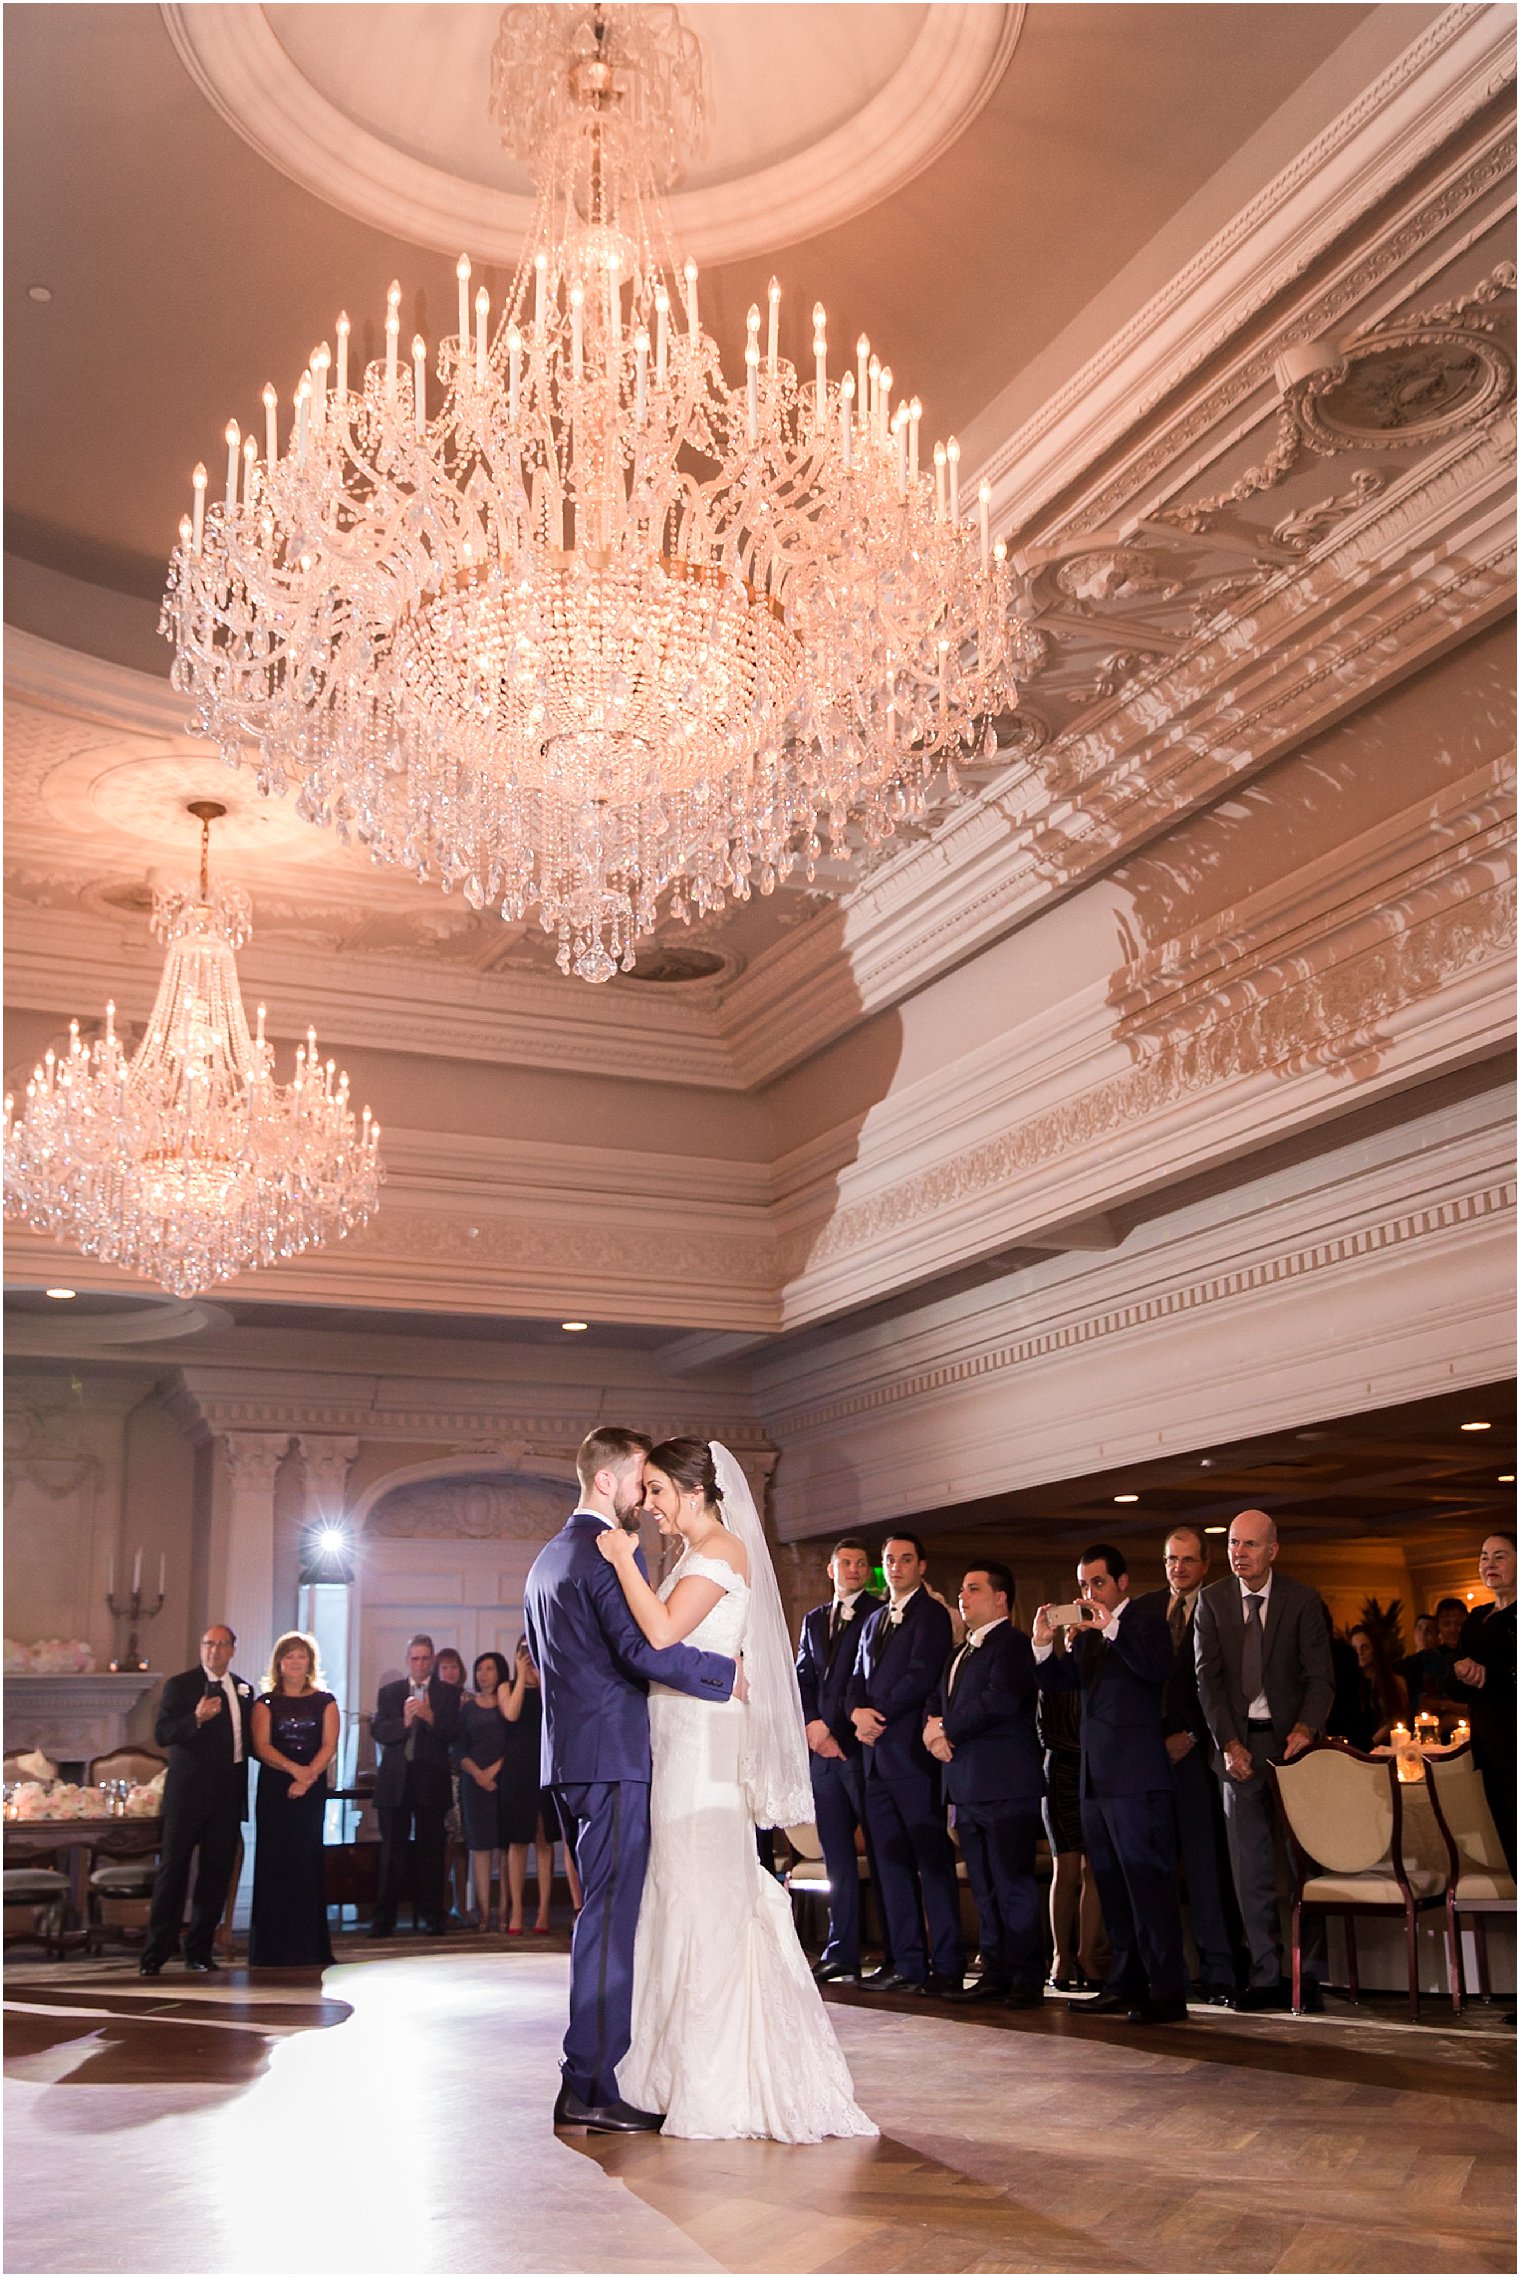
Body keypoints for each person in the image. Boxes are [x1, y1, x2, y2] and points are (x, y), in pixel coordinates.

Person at [595, 1436, 875, 2142]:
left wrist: (624, 1561)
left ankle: (717, 2080)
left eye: (657, 1490)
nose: (648, 1504)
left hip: (704, 1753)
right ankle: (671, 2069)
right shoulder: (696, 1555)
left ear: (694, 1490)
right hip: (681, 1739)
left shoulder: (720, 1551)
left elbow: (659, 1633)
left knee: (700, 1898)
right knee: (679, 1895)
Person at [523, 1426, 741, 2136]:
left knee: (601, 1920)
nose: (646, 1497)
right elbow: (645, 1648)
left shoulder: (548, 1557)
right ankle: (588, 2080)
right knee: (609, 1926)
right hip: (614, 1761)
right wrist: (726, 1675)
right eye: (640, 1481)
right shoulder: (600, 1555)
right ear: (608, 1481)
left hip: (570, 1763)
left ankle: (589, 2074)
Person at [1034, 1544, 1188, 2025]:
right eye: (1083, 1585)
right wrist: (1044, 1643)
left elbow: (1155, 1670)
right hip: (1095, 1777)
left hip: (1137, 1775)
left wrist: (1111, 1626)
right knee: (1113, 1887)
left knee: (1149, 1885)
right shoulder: (1088, 1638)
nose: (1089, 1592)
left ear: (1122, 1582)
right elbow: (1060, 1683)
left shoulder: (1143, 1621)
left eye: (1097, 1582)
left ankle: (1166, 1994)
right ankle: (1124, 1983)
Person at [1193, 1508, 1335, 2011]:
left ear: (1272, 1550)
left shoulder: (1302, 1600)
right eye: (1233, 1543)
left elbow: (1321, 1678)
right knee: (1249, 1869)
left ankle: (1308, 1976)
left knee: (1302, 1867)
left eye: (1249, 1545)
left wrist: (1304, 1729)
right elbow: (1206, 1681)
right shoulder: (1211, 1603)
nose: (1239, 1553)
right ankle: (1267, 1975)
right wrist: (1228, 1743)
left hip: (1294, 1750)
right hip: (1237, 1749)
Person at [923, 1562, 1045, 2008]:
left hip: (1006, 1784)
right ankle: (995, 1970)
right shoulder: (959, 1652)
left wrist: (946, 1729)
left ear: (1000, 1598)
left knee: (1013, 1883)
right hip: (966, 1785)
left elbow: (1000, 1700)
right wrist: (930, 1730)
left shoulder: (1013, 1645)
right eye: (962, 1588)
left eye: (974, 1589)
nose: (963, 1596)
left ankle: (1027, 1976)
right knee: (985, 1886)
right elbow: (936, 1703)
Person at [848, 1534, 965, 1997]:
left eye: (906, 1560)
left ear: (922, 1565)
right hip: (874, 1758)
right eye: (890, 1560)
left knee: (931, 1861)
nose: (896, 1567)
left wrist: (878, 1717)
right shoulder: (874, 1617)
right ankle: (908, 1962)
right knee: (890, 1863)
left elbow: (920, 1677)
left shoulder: (932, 1615)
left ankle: (949, 1963)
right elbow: (857, 1675)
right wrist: (857, 1714)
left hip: (912, 1759)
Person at [794, 1536, 884, 1984]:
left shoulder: (878, 1614)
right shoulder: (813, 1620)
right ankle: (841, 1950)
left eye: (861, 1563)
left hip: (858, 1748)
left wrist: (831, 1728)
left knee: (883, 1851)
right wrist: (812, 1727)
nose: (853, 1569)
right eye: (845, 1562)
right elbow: (803, 1677)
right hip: (823, 1755)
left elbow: (860, 1680)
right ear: (830, 1570)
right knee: (837, 1858)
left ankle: (895, 1951)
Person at [140, 1623, 255, 1977]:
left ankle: (200, 1951)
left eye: (222, 1645)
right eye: (208, 1644)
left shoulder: (244, 1689)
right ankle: (155, 1953)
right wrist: (196, 1718)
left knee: (214, 1876)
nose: (214, 1651)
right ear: (201, 1647)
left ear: (233, 1650)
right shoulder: (181, 1685)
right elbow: (162, 1734)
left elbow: (249, 1741)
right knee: (172, 1873)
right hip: (187, 1797)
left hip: (227, 1796)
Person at [1161, 1527, 1240, 2003]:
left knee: (1209, 1868)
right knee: (1162, 1869)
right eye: (1172, 1559)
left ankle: (1222, 1972)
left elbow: (1223, 1684)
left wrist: (1191, 1734)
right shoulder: (1151, 1609)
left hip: (1201, 1753)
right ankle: (1173, 1969)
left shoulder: (1221, 1608)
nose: (1179, 1568)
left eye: (1189, 1560)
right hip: (1151, 1758)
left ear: (1206, 1564)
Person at [249, 1631, 339, 1967]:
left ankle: (308, 1948)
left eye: (301, 1656)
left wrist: (308, 1776)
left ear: (310, 1662)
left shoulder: (325, 1701)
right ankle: (272, 1950)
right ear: (279, 1664)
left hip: (310, 1791)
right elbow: (262, 1747)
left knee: (306, 1862)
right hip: (275, 1788)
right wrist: (294, 1771)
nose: (295, 1662)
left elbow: (329, 1745)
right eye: (289, 1657)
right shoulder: (265, 1703)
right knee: (275, 1864)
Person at [369, 1633, 462, 1939]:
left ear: (432, 1660)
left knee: (431, 1852)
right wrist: (405, 1723)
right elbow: (379, 1730)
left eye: (425, 1658)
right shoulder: (391, 1692)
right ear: (407, 1660)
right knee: (391, 1852)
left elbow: (453, 1734)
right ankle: (384, 1920)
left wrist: (430, 1716)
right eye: (415, 1658)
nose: (420, 1663)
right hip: (395, 1783)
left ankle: (433, 1916)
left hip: (430, 1782)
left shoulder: (447, 1694)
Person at [1452, 1532, 1516, 1873]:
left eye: (1500, 1556)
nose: (1489, 1564)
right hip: (1489, 1745)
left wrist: (1491, 1676)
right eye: (1484, 1556)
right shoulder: (1477, 1617)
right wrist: (1461, 1670)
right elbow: (1453, 1683)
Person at [1037, 1680, 1106, 1990]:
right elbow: (1042, 1733)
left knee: (1095, 1869)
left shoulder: (1101, 1673)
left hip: (1097, 1772)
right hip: (1060, 1773)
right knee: (1065, 1868)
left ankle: (1087, 1956)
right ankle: (1060, 1956)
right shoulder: (1053, 1673)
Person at [501, 1637, 569, 1934]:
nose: (527, 1656)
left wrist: (541, 1674)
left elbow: (553, 1709)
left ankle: (543, 1912)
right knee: (517, 1840)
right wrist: (520, 1675)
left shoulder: (549, 1680)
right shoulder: (506, 1686)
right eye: (523, 1651)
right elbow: (512, 1714)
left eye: (532, 1651)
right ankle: (516, 1911)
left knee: (543, 1838)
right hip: (517, 1769)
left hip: (544, 1766)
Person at [455, 1651, 511, 1932]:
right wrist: (478, 1773)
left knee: (504, 1848)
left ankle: (504, 1912)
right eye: (479, 1669)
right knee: (479, 1848)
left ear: (500, 1671)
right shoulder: (467, 1708)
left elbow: (513, 1744)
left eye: (489, 1668)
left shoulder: (508, 1705)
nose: (483, 1674)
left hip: (503, 1782)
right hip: (474, 1785)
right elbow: (458, 1748)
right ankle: (484, 1912)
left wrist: (494, 1771)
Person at [1346, 1624, 1407, 1749]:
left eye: (1364, 1647)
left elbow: (1398, 1718)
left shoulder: (1394, 1682)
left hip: (1385, 1749)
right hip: (1354, 1750)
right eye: (1355, 1648)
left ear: (1374, 1649)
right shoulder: (1348, 1684)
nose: (1359, 1653)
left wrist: (1373, 1741)